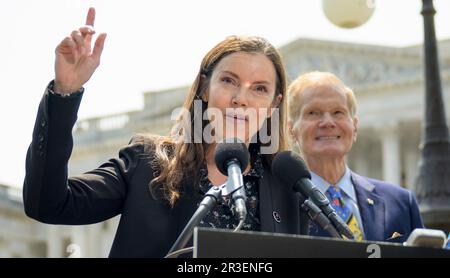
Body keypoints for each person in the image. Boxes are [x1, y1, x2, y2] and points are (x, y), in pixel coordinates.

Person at [23, 8, 308, 257]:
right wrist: (65, 92)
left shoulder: (289, 191)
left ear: (274, 105)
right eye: (229, 80)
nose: (241, 98)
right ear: (206, 88)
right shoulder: (148, 164)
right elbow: (48, 204)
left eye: (259, 88)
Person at [287, 71, 424, 242]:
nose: (328, 122)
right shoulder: (276, 204)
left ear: (355, 127)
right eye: (313, 113)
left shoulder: (402, 203)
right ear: (291, 130)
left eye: (338, 112)